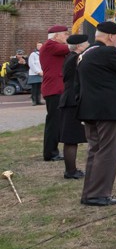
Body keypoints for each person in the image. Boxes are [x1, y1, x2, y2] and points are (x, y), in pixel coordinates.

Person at [77, 21, 116, 206]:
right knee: (108, 152)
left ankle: (90, 193)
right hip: (109, 109)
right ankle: (99, 193)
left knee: (95, 151)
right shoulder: (109, 52)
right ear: (110, 37)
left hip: (90, 108)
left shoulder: (86, 53)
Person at [59, 34, 90, 179]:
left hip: (69, 99)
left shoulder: (71, 57)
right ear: (79, 46)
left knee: (72, 138)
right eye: (86, 43)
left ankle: (71, 170)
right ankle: (70, 171)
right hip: (72, 100)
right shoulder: (76, 58)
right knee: (71, 138)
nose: (88, 44)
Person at [40, 27, 71, 162]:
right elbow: (69, 48)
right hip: (54, 89)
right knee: (54, 122)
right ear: (56, 36)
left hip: (56, 88)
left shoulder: (51, 46)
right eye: (65, 34)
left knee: (56, 122)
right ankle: (50, 153)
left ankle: (52, 151)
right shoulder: (50, 45)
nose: (67, 36)